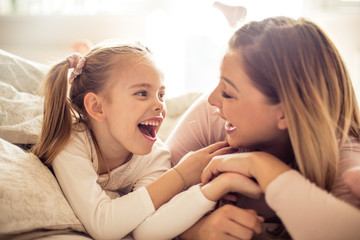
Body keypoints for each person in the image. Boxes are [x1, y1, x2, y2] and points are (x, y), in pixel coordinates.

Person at [31, 41, 256, 240]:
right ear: (97, 107)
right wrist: (181, 175)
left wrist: (213, 189)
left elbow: (147, 232)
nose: (159, 105)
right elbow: (103, 226)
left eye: (161, 94)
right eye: (142, 93)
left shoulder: (155, 154)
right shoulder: (72, 141)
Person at [166, 16, 360, 239]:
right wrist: (194, 232)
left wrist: (260, 165)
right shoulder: (212, 116)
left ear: (286, 113)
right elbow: (144, 202)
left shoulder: (344, 160)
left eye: (228, 93)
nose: (212, 99)